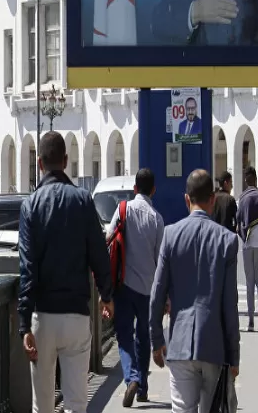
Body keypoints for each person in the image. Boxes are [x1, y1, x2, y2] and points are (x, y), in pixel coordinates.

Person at [19, 131, 113, 413]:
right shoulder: (83, 200)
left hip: (42, 316)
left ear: (39, 163)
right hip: (76, 314)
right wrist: (107, 295)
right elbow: (99, 255)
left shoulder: (30, 205)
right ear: (66, 160)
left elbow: (27, 268)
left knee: (42, 405)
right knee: (76, 404)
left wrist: (24, 324)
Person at [150, 169, 240, 413]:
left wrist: (156, 340)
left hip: (180, 344)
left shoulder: (170, 235)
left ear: (186, 199)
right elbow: (229, 304)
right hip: (214, 344)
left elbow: (157, 293)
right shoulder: (227, 240)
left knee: (182, 408)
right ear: (213, 199)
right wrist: (234, 355)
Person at [106, 168, 164, 407]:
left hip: (123, 284)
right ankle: (143, 389)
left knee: (124, 335)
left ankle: (131, 377)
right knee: (143, 337)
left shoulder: (123, 210)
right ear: (154, 190)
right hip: (148, 289)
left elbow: (109, 239)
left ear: (135, 189)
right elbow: (161, 260)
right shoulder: (157, 219)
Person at [236, 166, 258, 331]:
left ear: (246, 180)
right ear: (256, 179)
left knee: (249, 282)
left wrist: (244, 237)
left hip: (247, 245)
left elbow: (238, 225)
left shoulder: (242, 199)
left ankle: (250, 322)